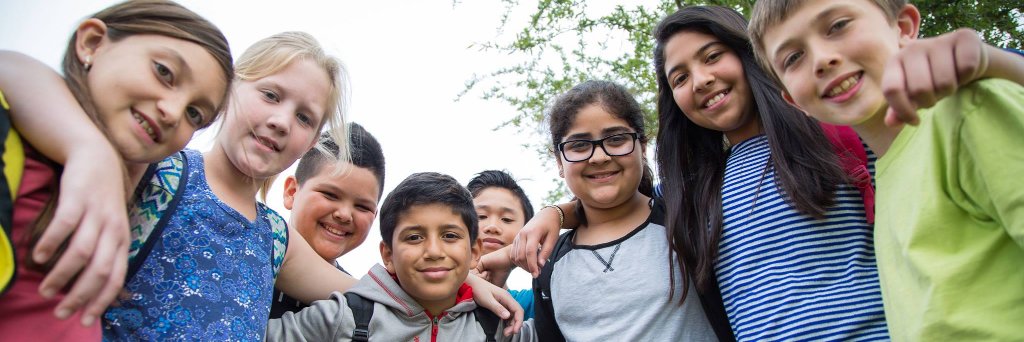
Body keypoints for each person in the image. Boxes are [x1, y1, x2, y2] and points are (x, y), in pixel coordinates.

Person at [749, 0, 1024, 340]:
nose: (821, 60)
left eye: (838, 26)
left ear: (904, 26)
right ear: (793, 101)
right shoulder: (887, 175)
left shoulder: (968, 111)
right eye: (793, 58)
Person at [0, 0, 234, 339]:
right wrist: (89, 148)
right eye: (164, 72)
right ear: (93, 42)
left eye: (195, 114)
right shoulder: (13, 145)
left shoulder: (143, 193)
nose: (172, 112)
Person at [537, 80, 723, 341]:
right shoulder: (547, 265)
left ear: (642, 147)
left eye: (616, 139)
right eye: (579, 145)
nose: (599, 157)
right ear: (559, 161)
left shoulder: (688, 216)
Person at [267, 171, 536, 341]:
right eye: (414, 237)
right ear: (388, 254)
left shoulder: (498, 328)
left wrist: (557, 214)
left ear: (473, 250)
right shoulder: (346, 315)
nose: (433, 251)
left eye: (450, 236)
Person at [269, 123, 385, 318]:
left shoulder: (364, 310)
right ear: (291, 192)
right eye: (330, 195)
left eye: (362, 206)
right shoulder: (250, 254)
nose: (344, 214)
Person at [466, 170, 535, 319]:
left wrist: (556, 214)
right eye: (481, 216)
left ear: (526, 230)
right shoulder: (426, 291)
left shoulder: (530, 305)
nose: (492, 226)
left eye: (507, 219)